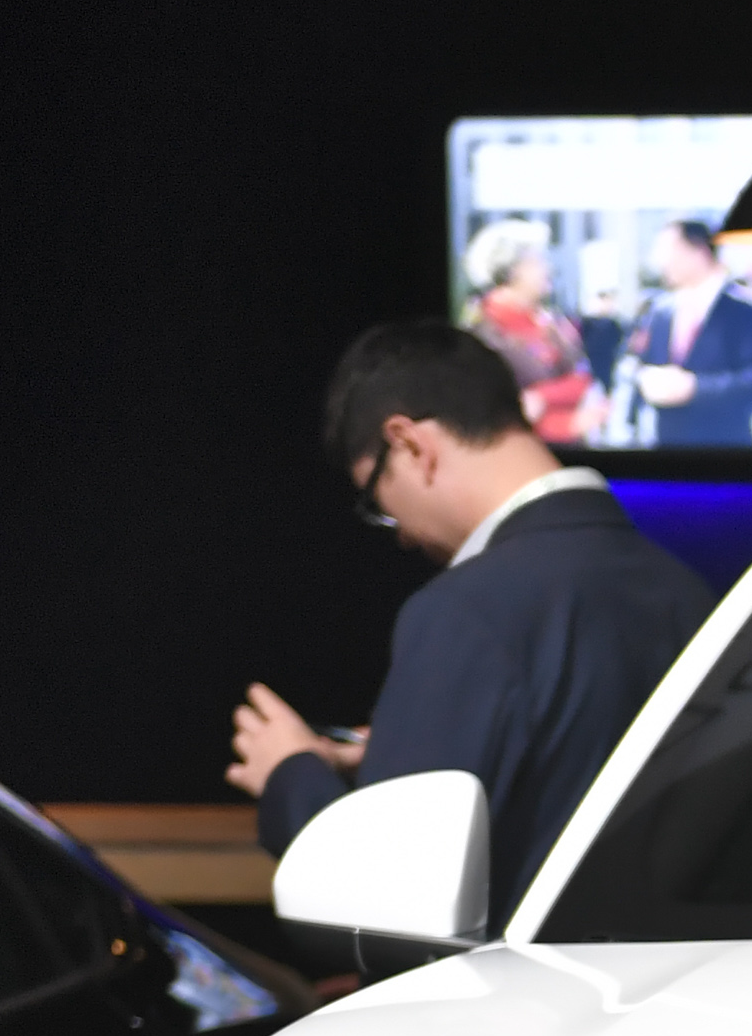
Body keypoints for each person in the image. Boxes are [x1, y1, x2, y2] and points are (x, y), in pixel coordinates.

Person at [228, 322, 713, 912]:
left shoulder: (466, 609)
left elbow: (390, 904)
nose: (402, 536)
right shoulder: (689, 592)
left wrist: (291, 774)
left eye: (378, 502)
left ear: (410, 445)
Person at [624, 221, 752, 449]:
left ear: (699, 252)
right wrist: (645, 379)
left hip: (725, 447)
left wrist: (696, 388)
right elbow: (639, 361)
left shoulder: (744, 310)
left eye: (669, 251)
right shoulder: (660, 311)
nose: (661, 262)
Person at [462, 219, 595, 448]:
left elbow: (581, 380)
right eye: (538, 261)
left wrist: (541, 397)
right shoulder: (480, 332)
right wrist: (563, 425)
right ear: (513, 270)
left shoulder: (553, 323)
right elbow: (497, 411)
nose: (548, 269)